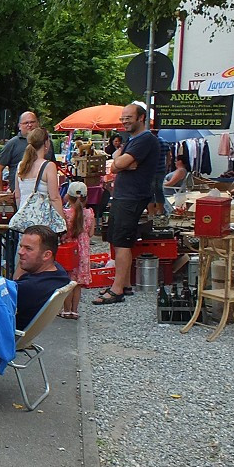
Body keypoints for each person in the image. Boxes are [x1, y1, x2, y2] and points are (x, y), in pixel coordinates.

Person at [94, 103, 159, 305]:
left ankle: (117, 290)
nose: (124, 120)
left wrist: (120, 162)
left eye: (129, 117)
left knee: (122, 241)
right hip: (124, 195)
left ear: (141, 118)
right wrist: (121, 163)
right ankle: (125, 284)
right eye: (123, 117)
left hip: (132, 196)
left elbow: (118, 164)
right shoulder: (133, 140)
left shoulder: (145, 139)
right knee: (115, 238)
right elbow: (119, 165)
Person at [13, 225, 71, 328]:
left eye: (28, 248)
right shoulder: (59, 273)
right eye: (21, 246)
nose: (20, 252)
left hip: (2, 337)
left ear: (46, 255)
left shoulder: (28, 287)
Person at [13, 127, 65, 230]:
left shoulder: (21, 166)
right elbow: (54, 198)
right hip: (42, 224)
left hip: (25, 222)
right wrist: (62, 222)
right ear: (46, 143)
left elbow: (18, 195)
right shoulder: (48, 166)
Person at [0, 111, 56, 193]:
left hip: (44, 195)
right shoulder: (13, 144)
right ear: (19, 126)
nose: (30, 125)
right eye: (26, 123)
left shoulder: (46, 142)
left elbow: (53, 166)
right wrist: (0, 194)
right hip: (18, 195)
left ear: (38, 123)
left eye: (32, 122)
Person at [61, 184, 93, 319]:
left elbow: (63, 234)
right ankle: (74, 310)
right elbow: (91, 233)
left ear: (68, 196)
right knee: (77, 284)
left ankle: (66, 310)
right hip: (83, 253)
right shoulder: (90, 213)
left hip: (70, 252)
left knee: (68, 283)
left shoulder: (65, 214)